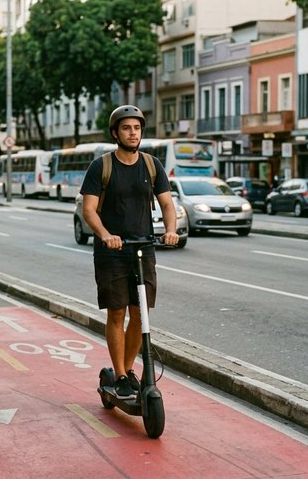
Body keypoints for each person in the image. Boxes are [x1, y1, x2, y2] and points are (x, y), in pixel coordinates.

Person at [79, 105, 179, 399]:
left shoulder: (151, 165)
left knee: (140, 314)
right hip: (112, 252)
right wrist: (105, 235)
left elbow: (167, 204)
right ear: (115, 133)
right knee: (117, 312)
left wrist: (171, 229)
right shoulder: (101, 166)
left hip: (143, 248)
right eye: (126, 128)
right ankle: (120, 374)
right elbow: (89, 209)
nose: (133, 133)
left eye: (136, 128)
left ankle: (129, 369)